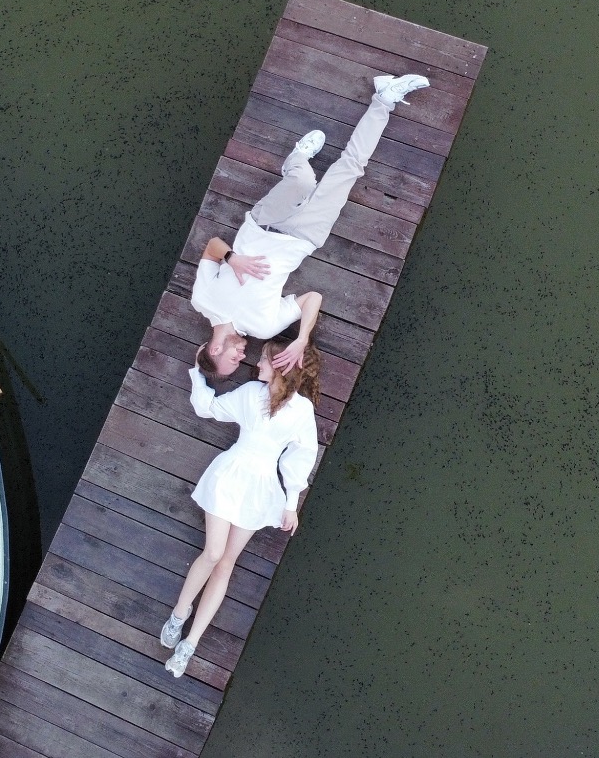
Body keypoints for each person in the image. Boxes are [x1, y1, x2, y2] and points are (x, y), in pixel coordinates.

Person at [191, 73, 430, 379]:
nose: (242, 356)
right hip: (303, 238)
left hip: (263, 223)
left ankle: (297, 158)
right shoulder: (263, 327)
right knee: (351, 167)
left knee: (303, 180)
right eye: (241, 360)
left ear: (214, 350)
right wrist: (302, 337)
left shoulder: (203, 300)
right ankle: (384, 98)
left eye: (233, 359)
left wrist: (232, 258)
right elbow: (312, 298)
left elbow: (212, 247)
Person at [161, 337, 322, 677]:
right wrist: (196, 371)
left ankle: (189, 645)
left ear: (281, 367)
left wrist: (291, 504)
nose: (258, 364)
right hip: (230, 476)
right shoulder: (251, 394)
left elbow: (301, 456)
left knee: (226, 564)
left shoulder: (301, 411)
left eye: (264, 360)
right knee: (214, 552)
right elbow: (211, 408)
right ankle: (179, 612)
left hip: (261, 487)